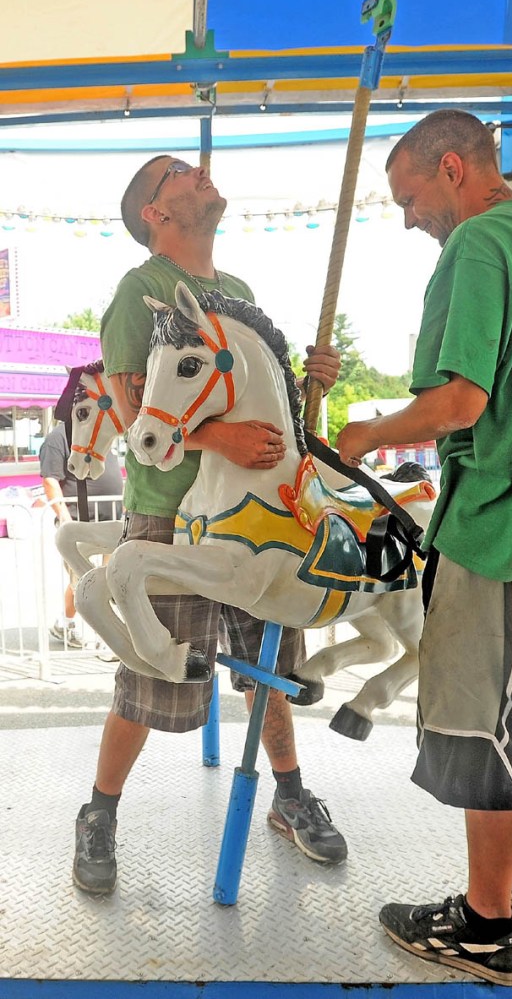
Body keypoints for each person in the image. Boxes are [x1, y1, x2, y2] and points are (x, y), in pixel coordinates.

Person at [336, 110, 512, 986]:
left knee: (485, 721)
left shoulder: (478, 247)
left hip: (507, 522)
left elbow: (461, 403)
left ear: (453, 168)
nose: (409, 217)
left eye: (410, 196)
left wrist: (367, 433)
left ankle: (484, 925)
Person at [72, 155, 347, 896]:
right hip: (170, 514)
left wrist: (307, 381)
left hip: (254, 517)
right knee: (149, 674)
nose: (200, 173)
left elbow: (258, 403)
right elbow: (133, 418)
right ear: (155, 214)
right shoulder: (140, 294)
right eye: (179, 174)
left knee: (272, 666)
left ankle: (289, 795)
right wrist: (211, 441)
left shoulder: (238, 294)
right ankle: (99, 810)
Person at [39, 420, 123, 648]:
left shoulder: (99, 434)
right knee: (82, 581)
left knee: (109, 579)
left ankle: (72, 625)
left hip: (111, 520)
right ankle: (77, 627)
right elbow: (50, 481)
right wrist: (66, 520)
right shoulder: (57, 438)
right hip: (78, 523)